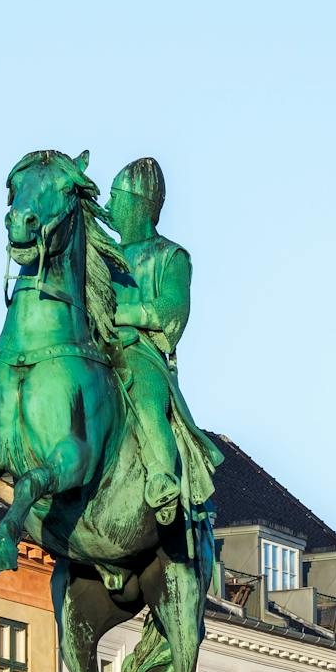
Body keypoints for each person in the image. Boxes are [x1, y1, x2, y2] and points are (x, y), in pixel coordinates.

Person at [107, 157, 191, 526]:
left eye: (116, 199)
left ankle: (161, 478)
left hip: (141, 352)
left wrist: (118, 314)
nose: (108, 208)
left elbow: (170, 311)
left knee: (144, 398)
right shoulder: (101, 256)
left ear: (138, 205)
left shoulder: (170, 256)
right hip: (93, 346)